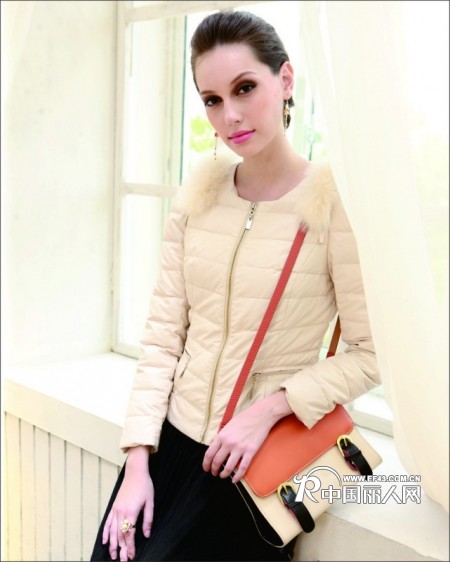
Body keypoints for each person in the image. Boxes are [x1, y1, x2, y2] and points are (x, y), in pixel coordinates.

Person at [91, 8, 380, 562]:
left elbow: (370, 353)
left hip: (254, 467)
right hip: (167, 454)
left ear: (285, 80)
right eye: (212, 99)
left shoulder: (332, 207)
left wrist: (268, 410)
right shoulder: (196, 200)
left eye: (245, 88)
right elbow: (162, 340)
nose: (230, 116)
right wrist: (136, 463)